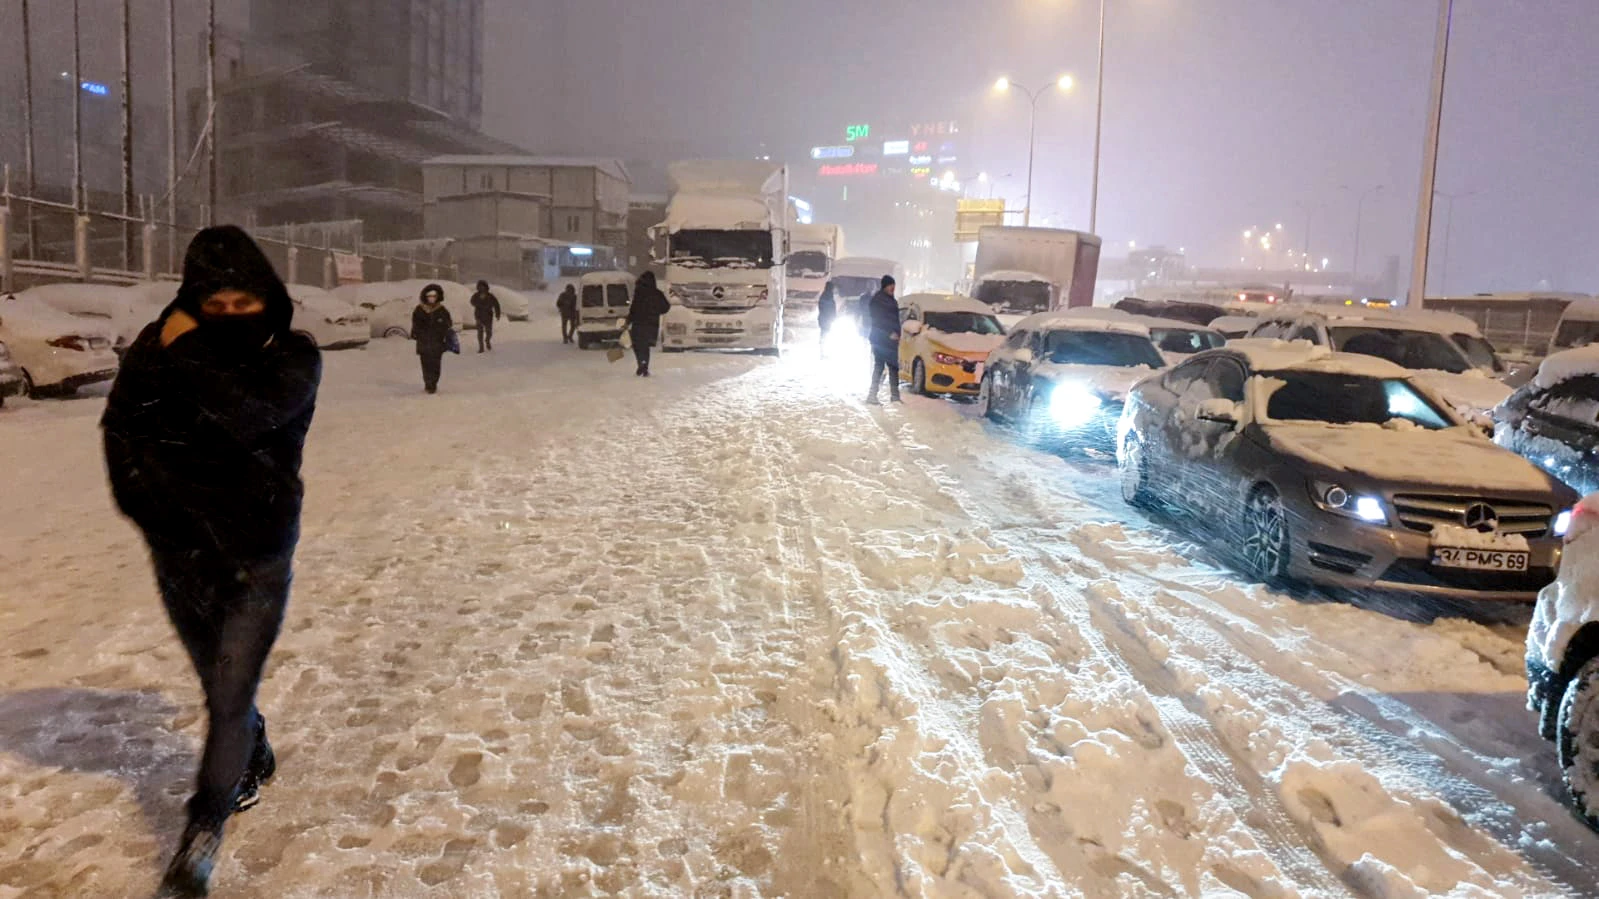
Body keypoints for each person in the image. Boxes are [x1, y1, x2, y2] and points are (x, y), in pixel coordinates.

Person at [101, 226, 322, 896]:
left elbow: (246, 414)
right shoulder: (154, 348)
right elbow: (121, 431)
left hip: (258, 552)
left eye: (242, 304)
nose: (229, 316)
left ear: (267, 298)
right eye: (214, 305)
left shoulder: (292, 355)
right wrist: (151, 512)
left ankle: (203, 832)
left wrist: (187, 344)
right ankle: (252, 740)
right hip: (180, 551)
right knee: (219, 684)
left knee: (227, 692)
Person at [625, 271, 671, 377]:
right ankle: (644, 365)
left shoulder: (639, 292)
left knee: (638, 345)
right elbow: (666, 307)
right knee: (645, 346)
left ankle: (641, 363)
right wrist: (656, 311)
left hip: (638, 324)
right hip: (651, 325)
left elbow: (634, 309)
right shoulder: (657, 293)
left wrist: (628, 321)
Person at [865, 275, 902, 404]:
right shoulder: (878, 300)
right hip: (880, 339)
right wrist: (889, 333)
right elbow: (878, 320)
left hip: (891, 341)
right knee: (880, 366)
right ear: (885, 286)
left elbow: (895, 319)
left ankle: (895, 396)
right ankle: (872, 395)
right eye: (890, 285)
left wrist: (898, 334)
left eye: (894, 285)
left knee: (893, 367)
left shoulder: (891, 300)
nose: (893, 287)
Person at [413, 284, 455, 393]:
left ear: (438, 297)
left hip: (437, 342)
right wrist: (417, 333)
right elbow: (415, 324)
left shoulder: (442, 310)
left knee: (436, 365)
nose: (431, 298)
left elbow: (448, 324)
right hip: (424, 342)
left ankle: (433, 383)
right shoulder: (419, 309)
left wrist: (441, 326)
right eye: (429, 296)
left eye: (434, 296)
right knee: (425, 364)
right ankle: (428, 383)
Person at [469, 280, 501, 353]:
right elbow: (472, 302)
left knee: (489, 332)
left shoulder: (490, 296)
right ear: (478, 287)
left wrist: (497, 314)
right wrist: (478, 304)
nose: (481, 288)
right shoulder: (476, 295)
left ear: (486, 287)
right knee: (480, 332)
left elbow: (496, 305)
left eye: (483, 286)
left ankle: (487, 340)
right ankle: (481, 347)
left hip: (488, 316)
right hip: (479, 316)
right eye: (480, 286)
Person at [817, 282, 837, 356]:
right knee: (825, 335)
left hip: (824, 319)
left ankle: (823, 352)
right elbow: (829, 307)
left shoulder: (825, 295)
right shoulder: (828, 296)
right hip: (826, 319)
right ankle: (822, 353)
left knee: (824, 335)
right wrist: (832, 316)